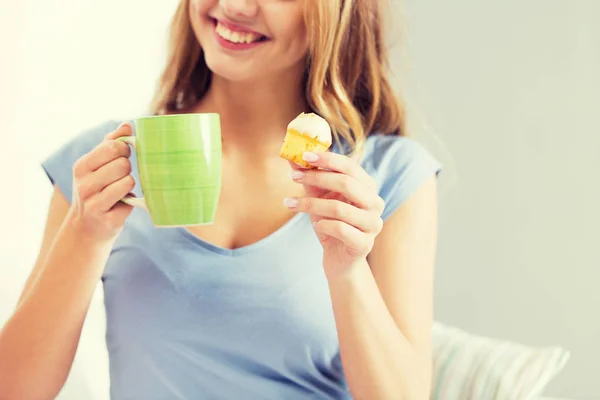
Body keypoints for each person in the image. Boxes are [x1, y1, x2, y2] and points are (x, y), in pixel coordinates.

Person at [0, 0, 441, 398]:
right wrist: (85, 234)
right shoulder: (103, 167)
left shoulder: (388, 175)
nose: (233, 6)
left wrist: (348, 271)